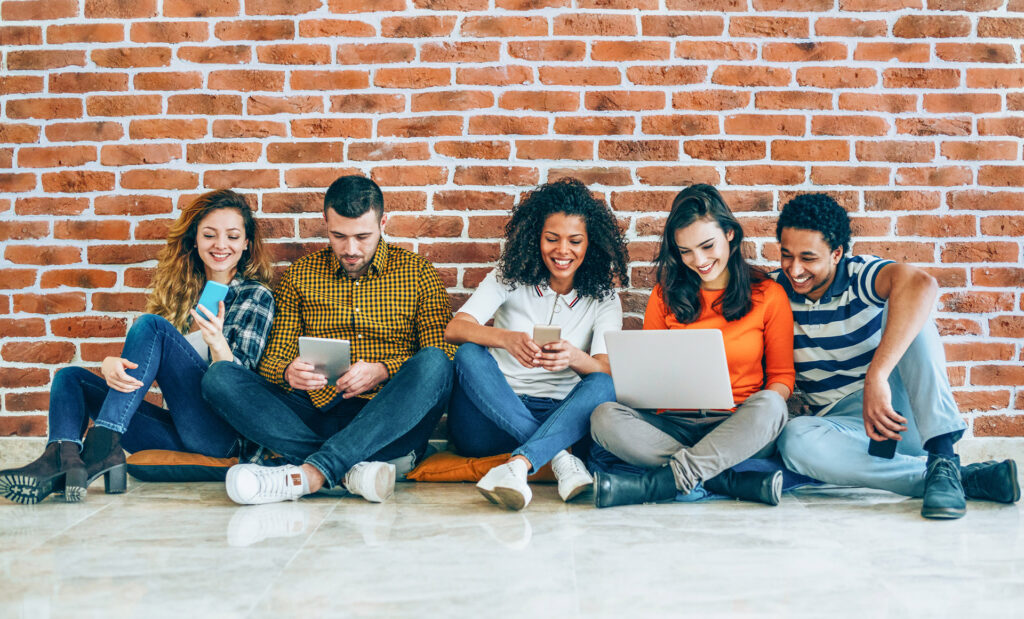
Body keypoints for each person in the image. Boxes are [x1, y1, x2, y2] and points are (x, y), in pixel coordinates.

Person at [0, 189, 275, 505]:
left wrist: (216, 343)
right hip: (180, 430)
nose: (220, 245)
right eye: (210, 234)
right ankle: (61, 461)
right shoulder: (180, 296)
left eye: (232, 236)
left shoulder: (255, 296)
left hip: (222, 436)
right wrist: (110, 364)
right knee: (70, 377)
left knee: (150, 325)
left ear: (246, 243)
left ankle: (103, 442)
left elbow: (239, 390)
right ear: (195, 240)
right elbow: (143, 363)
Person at [202, 175, 455, 506]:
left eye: (363, 237)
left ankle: (311, 473)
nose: (351, 249)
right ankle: (350, 470)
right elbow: (271, 361)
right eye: (339, 236)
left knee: (435, 363)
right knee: (219, 377)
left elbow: (445, 355)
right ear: (325, 222)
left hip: (389, 420)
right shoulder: (300, 275)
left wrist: (383, 370)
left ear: (383, 223)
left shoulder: (418, 273)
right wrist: (288, 372)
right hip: (316, 414)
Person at [772, 194, 1020, 519]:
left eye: (808, 258)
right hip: (849, 432)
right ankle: (953, 478)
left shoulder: (858, 275)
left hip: (901, 413)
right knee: (794, 439)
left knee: (910, 305)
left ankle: (943, 453)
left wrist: (877, 377)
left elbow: (921, 283)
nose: (795, 269)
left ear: (836, 254)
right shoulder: (777, 293)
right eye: (786, 255)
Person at [590, 184, 794, 508]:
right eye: (685, 251)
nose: (698, 260)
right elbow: (648, 377)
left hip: (736, 426)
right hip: (672, 426)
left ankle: (658, 484)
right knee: (604, 417)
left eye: (706, 245)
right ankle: (722, 479)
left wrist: (765, 406)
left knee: (772, 406)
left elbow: (782, 378)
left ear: (729, 233)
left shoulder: (768, 295)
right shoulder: (663, 295)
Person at [444, 178, 628, 511]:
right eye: (551, 239)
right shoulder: (508, 276)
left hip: (561, 417)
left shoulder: (603, 298)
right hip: (490, 418)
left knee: (604, 383)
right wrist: (505, 339)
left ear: (591, 245)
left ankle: (518, 465)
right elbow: (455, 328)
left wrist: (574, 357)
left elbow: (604, 370)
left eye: (575, 241)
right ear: (536, 238)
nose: (562, 251)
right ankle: (556, 456)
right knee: (469, 353)